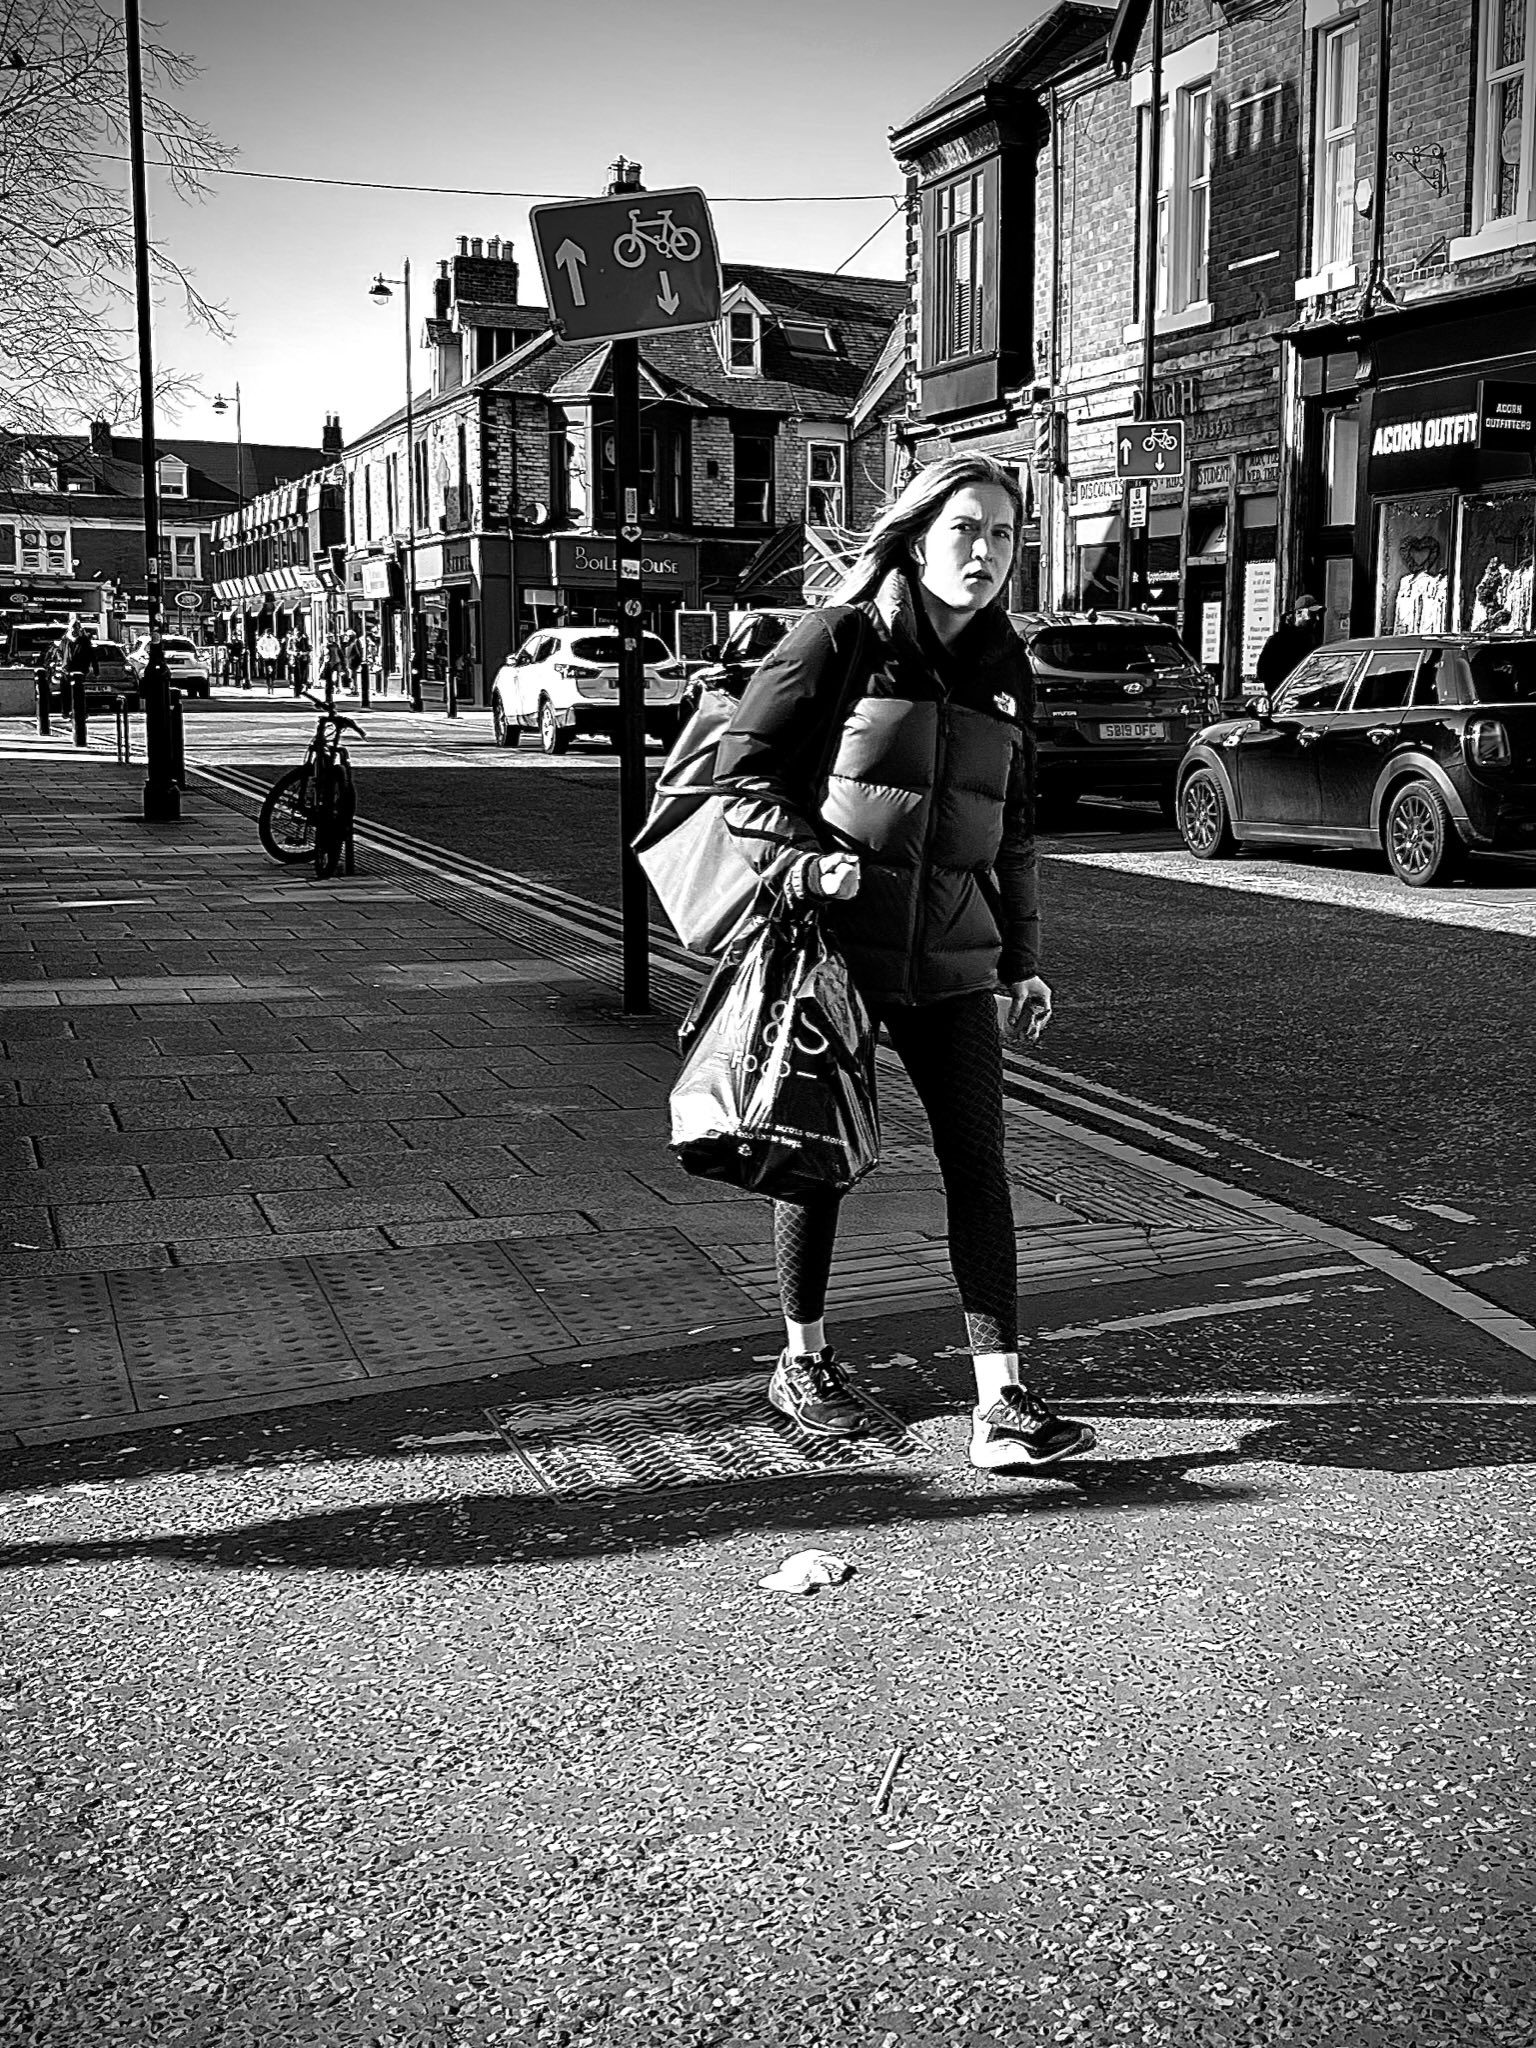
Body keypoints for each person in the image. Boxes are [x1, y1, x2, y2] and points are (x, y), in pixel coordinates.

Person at [714, 453, 1097, 1476]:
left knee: (980, 1163)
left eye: (1004, 535)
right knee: (815, 1152)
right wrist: (804, 866)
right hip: (838, 947)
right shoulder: (842, 638)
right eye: (966, 528)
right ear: (921, 533)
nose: (983, 551)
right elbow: (737, 773)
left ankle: (1001, 1400)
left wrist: (1024, 956)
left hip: (956, 956)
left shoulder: (1005, 666)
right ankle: (801, 1358)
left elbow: (1013, 827)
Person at [1255, 592, 1324, 691]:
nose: (1317, 619)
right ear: (1299, 613)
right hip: (1284, 697)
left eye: (1317, 614)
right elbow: (1263, 672)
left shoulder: (1313, 640)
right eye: (1312, 614)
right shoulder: (1278, 641)